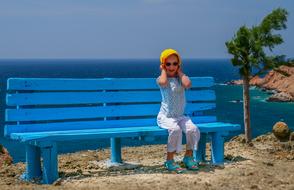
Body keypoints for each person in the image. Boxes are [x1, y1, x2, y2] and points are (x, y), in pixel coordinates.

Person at [157, 48, 200, 173]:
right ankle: (169, 160)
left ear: (179, 65)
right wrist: (164, 70)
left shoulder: (181, 79)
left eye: (175, 63)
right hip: (166, 117)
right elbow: (163, 82)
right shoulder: (161, 78)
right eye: (168, 64)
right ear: (163, 65)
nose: (172, 66)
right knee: (175, 130)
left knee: (192, 129)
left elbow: (188, 84)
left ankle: (188, 157)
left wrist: (180, 72)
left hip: (180, 116)